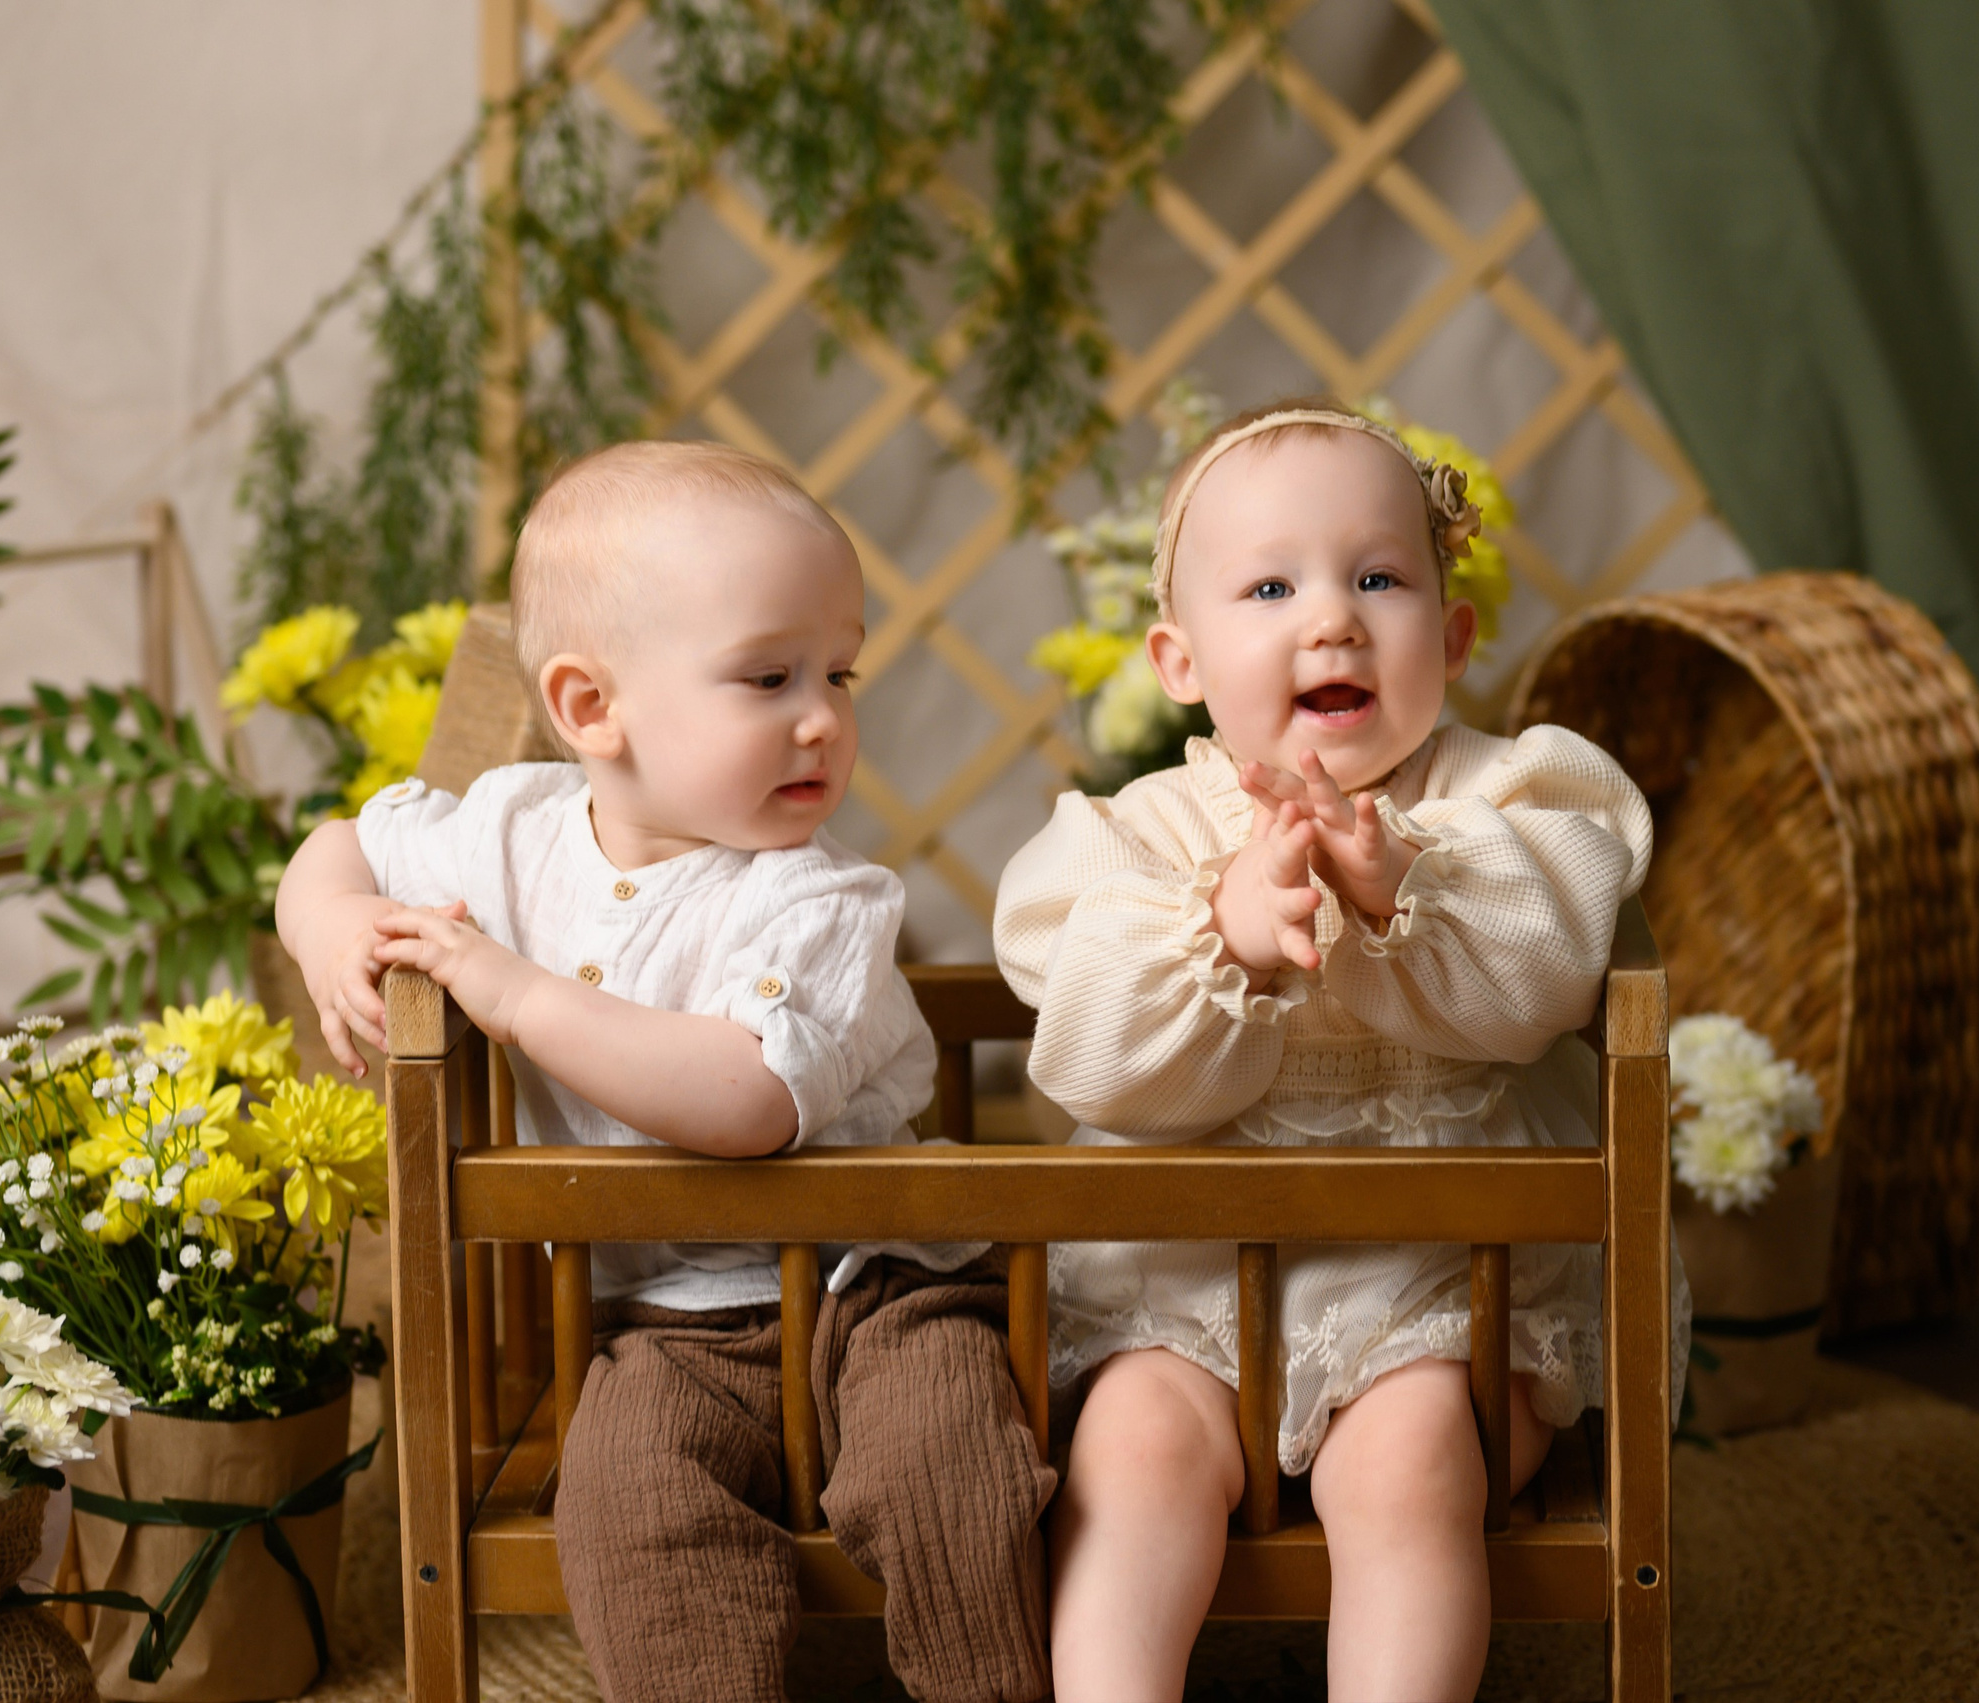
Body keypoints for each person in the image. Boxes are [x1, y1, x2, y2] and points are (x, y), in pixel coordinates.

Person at [275, 440, 1053, 1703]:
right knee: (625, 1502)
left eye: (839, 671)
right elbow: (337, 843)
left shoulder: (824, 898)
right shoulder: (512, 827)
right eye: (768, 675)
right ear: (592, 709)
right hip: (657, 1322)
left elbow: (747, 1099)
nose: (823, 717)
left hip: (883, 1282)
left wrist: (520, 994)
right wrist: (327, 926)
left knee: (947, 1469)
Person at [993, 399, 1684, 1701]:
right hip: (1186, 1294)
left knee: (1412, 1459)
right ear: (1179, 656)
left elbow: (1547, 964)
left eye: (1379, 576)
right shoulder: (1144, 835)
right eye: (1270, 585)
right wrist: (1229, 930)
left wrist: (1406, 884)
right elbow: (1088, 1043)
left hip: (1442, 1301)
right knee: (1132, 1449)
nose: (1332, 618)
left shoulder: (1503, 801)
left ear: (1455, 631)